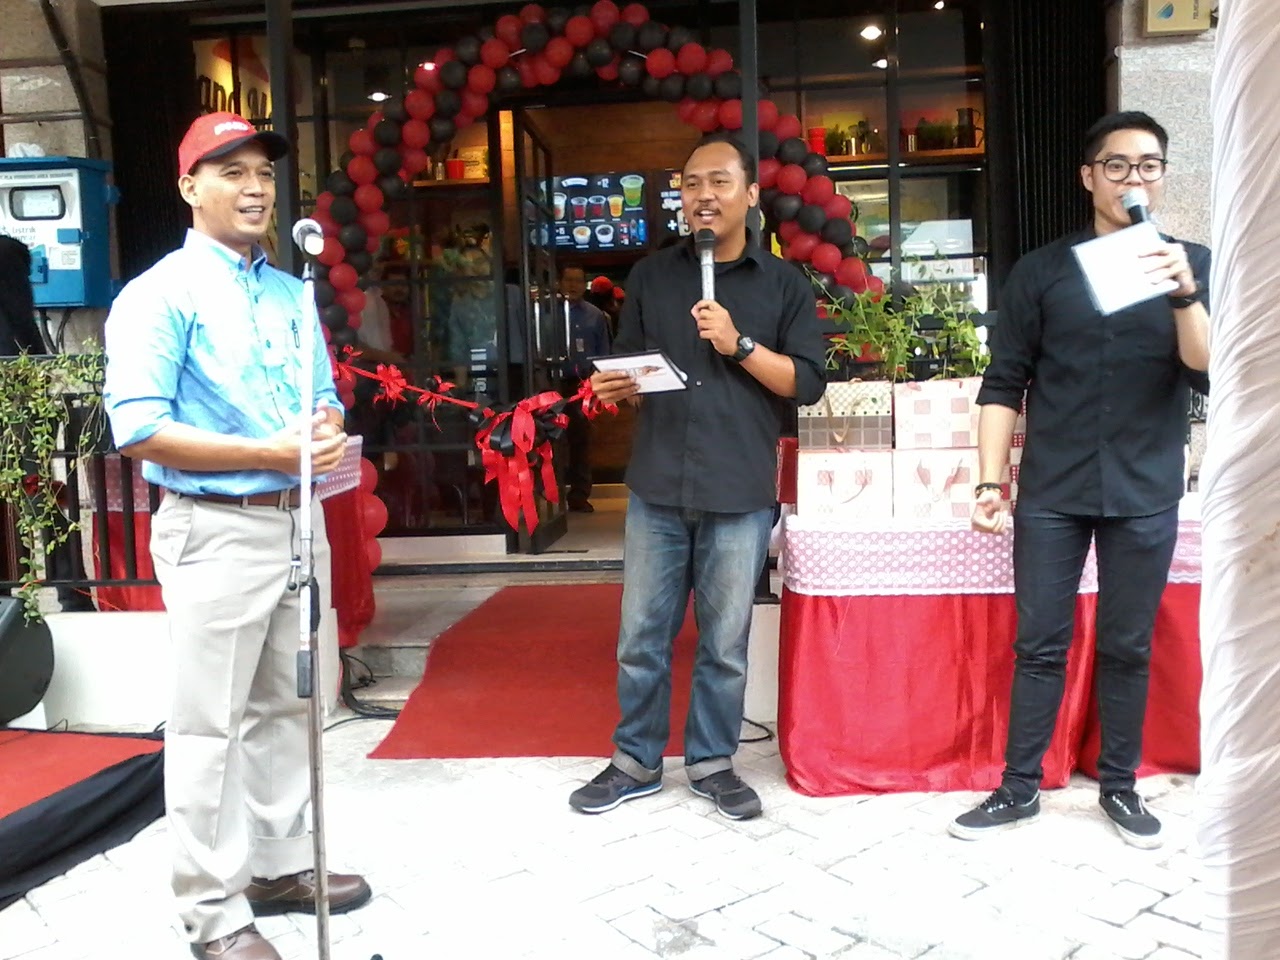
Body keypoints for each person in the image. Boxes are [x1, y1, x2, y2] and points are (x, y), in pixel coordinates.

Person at [102, 112, 371, 960]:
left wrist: (325, 427)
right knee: (209, 727)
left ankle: (281, 868)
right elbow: (138, 428)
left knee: (291, 705)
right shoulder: (157, 295)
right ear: (189, 186)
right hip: (215, 529)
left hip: (297, 521)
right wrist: (268, 452)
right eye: (232, 172)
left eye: (263, 172)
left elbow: (322, 398)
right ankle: (213, 915)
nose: (255, 188)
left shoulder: (292, 293)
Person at [949, 111, 1210, 849]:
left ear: (1163, 176)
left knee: (1128, 644)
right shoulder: (1042, 271)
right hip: (1054, 491)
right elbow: (1004, 383)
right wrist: (989, 484)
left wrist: (1184, 293)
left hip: (1145, 488)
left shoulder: (1192, 263)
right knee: (1039, 643)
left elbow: (1208, 370)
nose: (1133, 179)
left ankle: (1120, 787)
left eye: (1148, 165)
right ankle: (1018, 787)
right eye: (1117, 165)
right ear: (1089, 176)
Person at [569, 132, 825, 821]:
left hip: (739, 488)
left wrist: (739, 344)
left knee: (725, 642)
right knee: (641, 638)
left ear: (751, 194)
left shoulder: (783, 284)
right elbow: (629, 367)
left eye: (718, 181)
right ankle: (636, 760)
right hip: (657, 482)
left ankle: (713, 762)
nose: (703, 195)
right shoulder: (652, 276)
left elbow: (805, 383)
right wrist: (616, 387)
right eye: (691, 184)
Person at [558, 264, 611, 512]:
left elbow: (604, 353)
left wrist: (599, 386)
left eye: (578, 280)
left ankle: (579, 494)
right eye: (568, 279)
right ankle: (551, 494)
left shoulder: (595, 315)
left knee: (581, 441)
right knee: (550, 441)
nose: (573, 285)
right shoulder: (545, 312)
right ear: (559, 283)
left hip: (583, 386)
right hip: (550, 384)